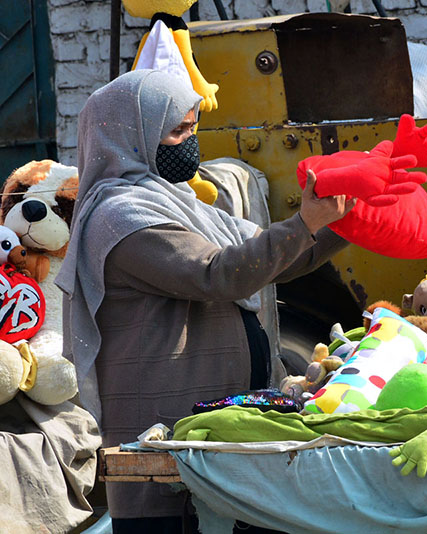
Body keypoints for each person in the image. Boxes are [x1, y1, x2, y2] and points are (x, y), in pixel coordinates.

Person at [55, 70, 362, 533]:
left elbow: (270, 262)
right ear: (132, 137)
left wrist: (343, 221)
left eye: (193, 129)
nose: (189, 143)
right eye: (177, 132)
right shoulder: (120, 217)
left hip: (209, 438)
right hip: (163, 447)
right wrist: (302, 224)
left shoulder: (181, 204)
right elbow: (218, 273)